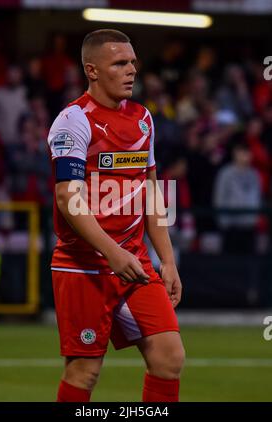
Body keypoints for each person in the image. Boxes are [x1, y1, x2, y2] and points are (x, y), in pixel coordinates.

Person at [47, 29, 185, 403]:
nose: (131, 71)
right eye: (120, 63)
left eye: (133, 63)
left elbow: (153, 190)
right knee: (84, 371)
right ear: (92, 70)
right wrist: (111, 251)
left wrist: (167, 261)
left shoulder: (143, 119)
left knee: (170, 358)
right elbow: (66, 198)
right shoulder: (73, 121)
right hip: (84, 268)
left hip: (135, 264)